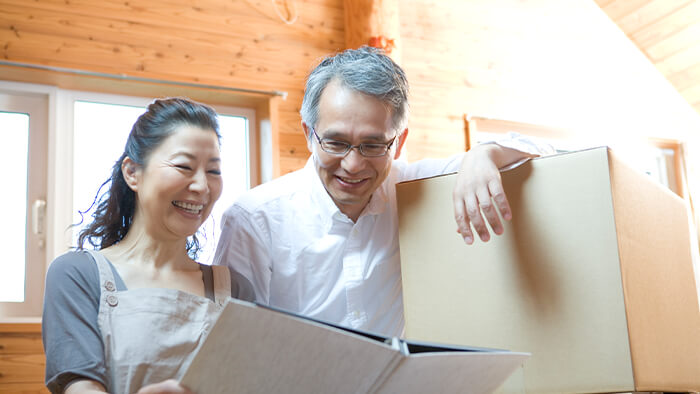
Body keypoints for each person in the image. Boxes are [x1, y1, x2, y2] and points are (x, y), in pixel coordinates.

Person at [213, 47, 552, 336]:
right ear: (308, 133)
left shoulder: (417, 187)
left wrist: (483, 153)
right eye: (336, 142)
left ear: (399, 142)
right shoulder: (254, 219)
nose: (353, 164)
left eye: (373, 145)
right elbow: (230, 340)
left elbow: (548, 151)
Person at [42, 97, 252, 394]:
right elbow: (79, 387)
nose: (202, 186)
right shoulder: (77, 275)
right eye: (184, 166)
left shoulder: (236, 289)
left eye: (214, 171)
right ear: (132, 173)